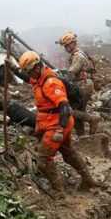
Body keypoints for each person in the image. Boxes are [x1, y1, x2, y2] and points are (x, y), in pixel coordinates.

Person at [16, 51, 101, 197]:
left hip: (57, 124)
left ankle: (59, 191)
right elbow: (26, 78)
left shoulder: (50, 83)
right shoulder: (38, 78)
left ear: (37, 67)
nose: (29, 75)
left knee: (43, 159)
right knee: (68, 153)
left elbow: (66, 108)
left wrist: (59, 131)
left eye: (29, 72)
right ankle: (89, 180)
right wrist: (12, 67)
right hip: (53, 122)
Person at [58, 32, 100, 136]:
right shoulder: (79, 53)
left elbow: (71, 74)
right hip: (84, 84)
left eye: (68, 45)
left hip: (82, 86)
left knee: (71, 111)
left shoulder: (77, 56)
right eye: (65, 46)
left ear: (73, 43)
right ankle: (82, 137)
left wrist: (59, 78)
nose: (66, 48)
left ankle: (92, 119)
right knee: (79, 113)